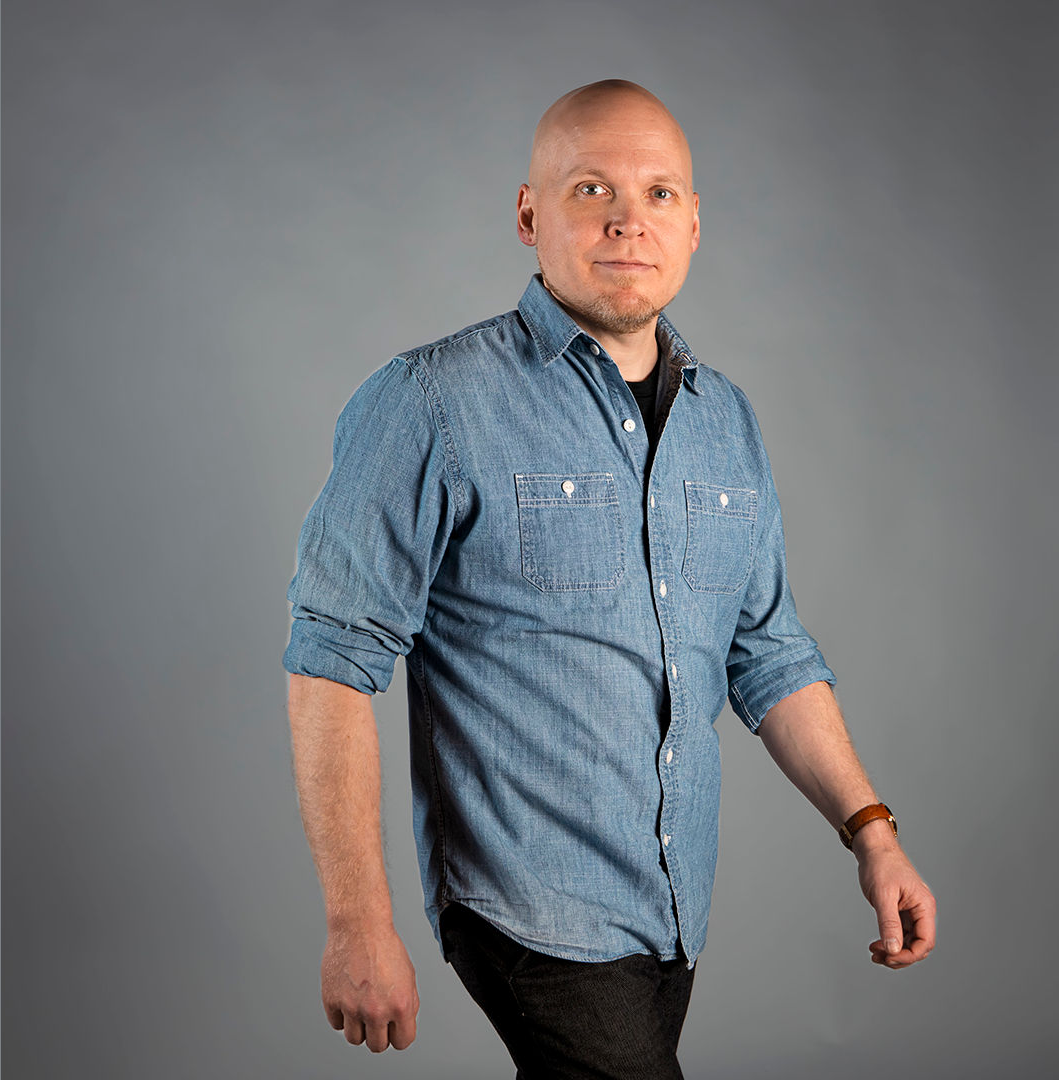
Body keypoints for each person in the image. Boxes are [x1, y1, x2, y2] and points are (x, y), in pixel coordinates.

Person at [283, 79, 936, 1077]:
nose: (630, 219)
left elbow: (768, 653)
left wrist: (872, 834)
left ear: (693, 223)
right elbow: (332, 660)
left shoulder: (726, 421)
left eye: (659, 193)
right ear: (528, 214)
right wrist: (357, 922)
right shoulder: (430, 402)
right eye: (592, 189)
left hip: (670, 911)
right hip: (527, 908)